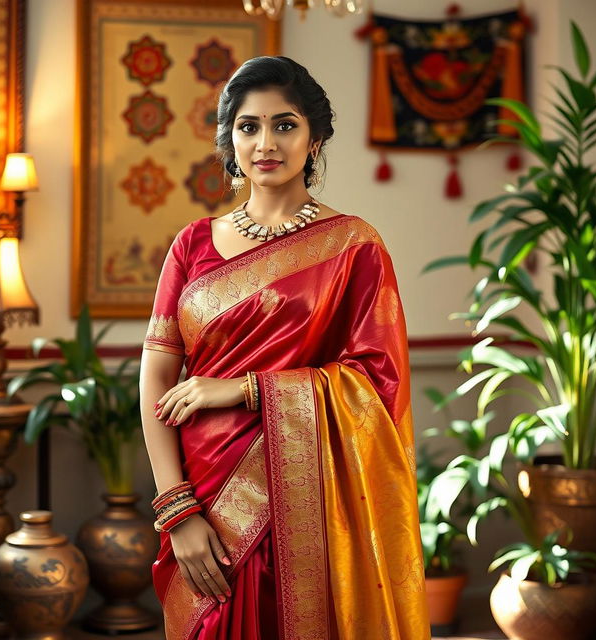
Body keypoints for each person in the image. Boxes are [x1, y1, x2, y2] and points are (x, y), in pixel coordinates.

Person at [139, 55, 430, 640]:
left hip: (306, 497)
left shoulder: (353, 247)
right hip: (204, 493)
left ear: (315, 140)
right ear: (230, 140)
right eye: (249, 127)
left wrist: (244, 388)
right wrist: (177, 510)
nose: (265, 143)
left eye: (285, 125)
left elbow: (377, 382)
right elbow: (155, 379)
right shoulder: (192, 244)